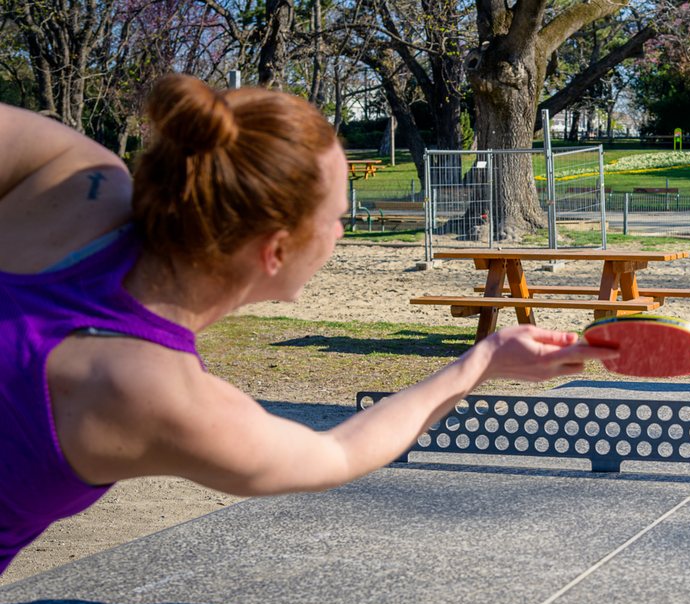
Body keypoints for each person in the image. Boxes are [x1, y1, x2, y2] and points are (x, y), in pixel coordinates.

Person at [0, 74, 617, 574]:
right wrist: (481, 361)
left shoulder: (72, 174)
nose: (341, 232)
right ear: (275, 250)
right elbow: (338, 452)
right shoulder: (164, 400)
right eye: (337, 219)